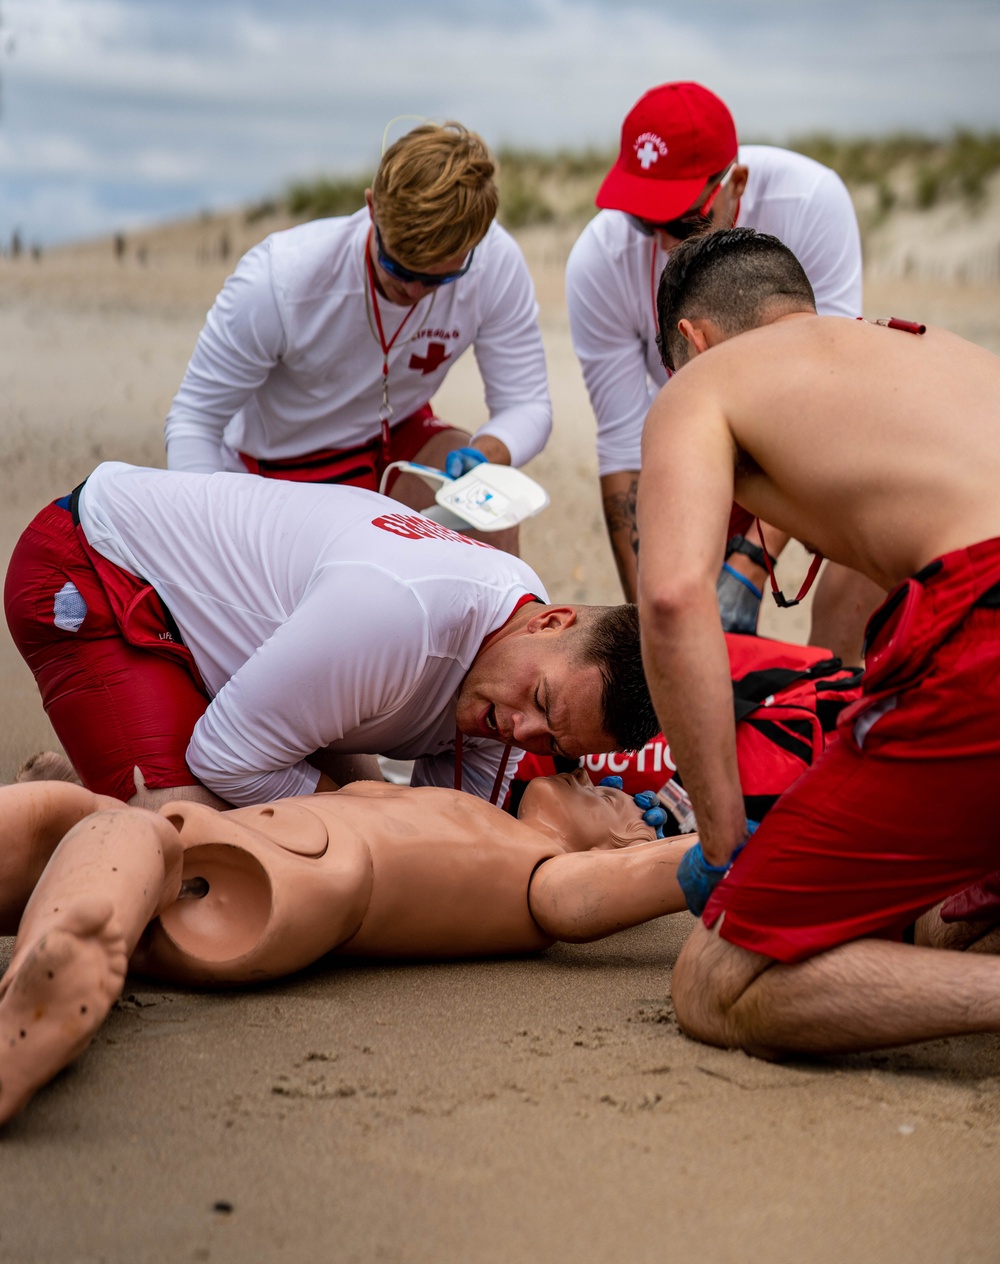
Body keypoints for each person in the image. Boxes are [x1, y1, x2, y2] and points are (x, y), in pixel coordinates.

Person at [637, 225, 1000, 1058]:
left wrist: (726, 849)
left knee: (717, 982)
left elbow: (670, 597)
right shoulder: (925, 351)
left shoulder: (705, 386)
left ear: (692, 341)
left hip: (985, 624)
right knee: (942, 926)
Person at [0, 770, 697, 1125]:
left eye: (622, 804)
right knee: (64, 815)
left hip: (292, 878)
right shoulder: (474, 812)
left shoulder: (544, 872)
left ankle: (49, 983)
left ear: (632, 846)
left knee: (139, 836)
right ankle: (65, 929)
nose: (603, 784)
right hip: (241, 856)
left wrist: (712, 849)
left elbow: (586, 901)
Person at [5, 462, 657, 813]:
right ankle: (61, 802)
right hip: (97, 567)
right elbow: (224, 759)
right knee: (187, 847)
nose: (521, 732)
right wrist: (362, 812)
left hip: (252, 654)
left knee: (343, 821)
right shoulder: (397, 615)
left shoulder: (517, 632)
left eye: (553, 741)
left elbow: (450, 832)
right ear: (551, 620)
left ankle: (91, 778)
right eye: (540, 703)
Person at [566, 81, 881, 657]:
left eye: (682, 222)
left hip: (803, 431)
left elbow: (833, 398)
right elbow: (622, 447)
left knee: (875, 521)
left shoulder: (811, 201)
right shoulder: (597, 261)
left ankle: (838, 691)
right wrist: (651, 625)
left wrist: (751, 563)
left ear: (735, 184)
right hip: (691, 443)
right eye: (642, 221)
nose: (662, 243)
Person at [165, 121, 551, 555]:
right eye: (399, 268)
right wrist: (205, 534)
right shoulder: (279, 281)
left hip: (395, 439)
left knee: (491, 518)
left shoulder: (495, 262)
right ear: (371, 207)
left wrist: (486, 453)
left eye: (439, 278)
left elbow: (527, 404)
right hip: (281, 465)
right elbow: (194, 421)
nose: (413, 292)